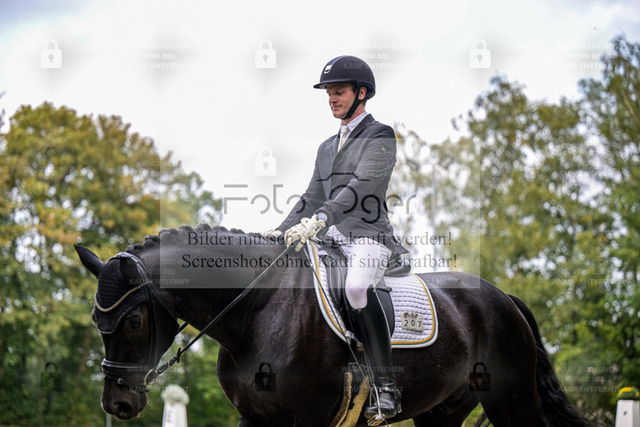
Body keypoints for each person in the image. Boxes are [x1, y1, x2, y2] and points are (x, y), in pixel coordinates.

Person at [263, 55, 404, 421]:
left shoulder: (380, 135)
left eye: (338, 92)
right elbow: (311, 195)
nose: (332, 99)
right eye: (328, 93)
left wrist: (321, 218)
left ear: (361, 93)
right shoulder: (326, 147)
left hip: (367, 236)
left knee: (356, 288)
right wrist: (281, 229)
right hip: (329, 238)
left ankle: (386, 386)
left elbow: (361, 187)